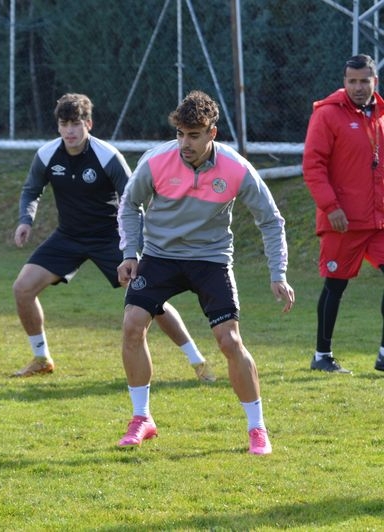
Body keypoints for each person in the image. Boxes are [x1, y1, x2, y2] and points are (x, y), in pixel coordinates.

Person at [116, 90, 294, 455]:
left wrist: (278, 273)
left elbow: (271, 220)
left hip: (210, 259)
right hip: (160, 255)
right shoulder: (156, 162)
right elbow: (129, 204)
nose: (185, 142)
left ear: (212, 133)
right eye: (180, 133)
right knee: (133, 324)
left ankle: (257, 428)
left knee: (230, 342)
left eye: (194, 135)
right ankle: (141, 419)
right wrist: (129, 252)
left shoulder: (236, 168)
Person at [11, 93, 215, 382]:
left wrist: (137, 247)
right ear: (58, 126)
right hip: (68, 236)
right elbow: (31, 190)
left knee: (151, 298)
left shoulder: (107, 157)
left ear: (89, 124)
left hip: (111, 238)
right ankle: (41, 358)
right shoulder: (46, 155)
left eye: (76, 123)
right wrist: (25, 221)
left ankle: (197, 361)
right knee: (22, 288)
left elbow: (134, 200)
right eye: (64, 123)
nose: (70, 130)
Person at [303, 53, 384, 374]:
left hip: (378, 222)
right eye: (352, 81)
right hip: (342, 222)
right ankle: (322, 356)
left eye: (365, 80)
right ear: (344, 81)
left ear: (374, 81)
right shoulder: (327, 115)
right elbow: (313, 166)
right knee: (335, 286)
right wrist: (331, 207)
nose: (359, 87)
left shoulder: (380, 114)